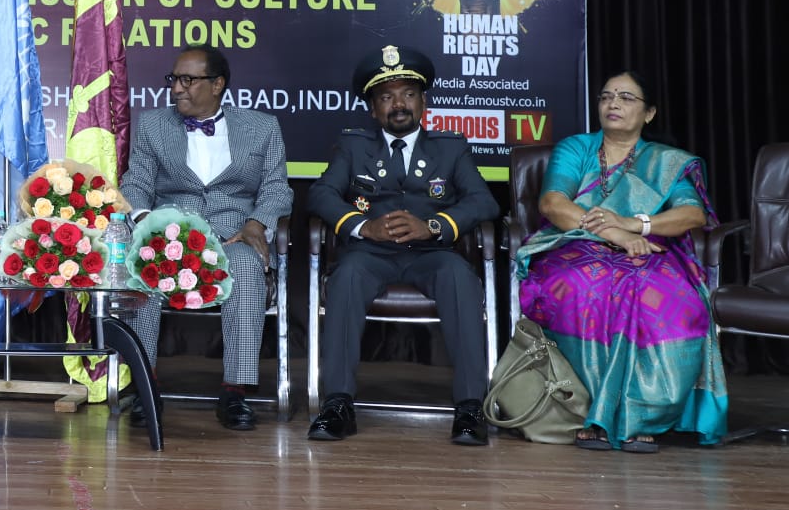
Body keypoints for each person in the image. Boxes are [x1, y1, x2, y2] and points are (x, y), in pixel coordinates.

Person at [517, 71, 726, 452]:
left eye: (626, 97)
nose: (613, 103)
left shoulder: (666, 161)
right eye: (606, 96)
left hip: (648, 252)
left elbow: (692, 214)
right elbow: (553, 204)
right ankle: (587, 411)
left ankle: (642, 416)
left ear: (649, 112)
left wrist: (636, 224)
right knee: (582, 288)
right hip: (575, 245)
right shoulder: (576, 148)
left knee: (670, 300)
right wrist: (615, 235)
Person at [307, 44, 498, 445]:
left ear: (423, 102)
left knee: (460, 279)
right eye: (386, 97)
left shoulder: (450, 147)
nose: (398, 105)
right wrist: (364, 227)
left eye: (408, 94)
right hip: (370, 254)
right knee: (346, 277)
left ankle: (469, 408)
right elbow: (321, 194)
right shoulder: (353, 146)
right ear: (373, 109)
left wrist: (434, 226)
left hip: (432, 254)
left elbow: (484, 201)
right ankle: (338, 405)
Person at [118, 46, 293, 431]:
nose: (176, 89)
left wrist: (257, 222)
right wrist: (147, 223)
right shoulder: (153, 125)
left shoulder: (262, 127)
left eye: (188, 80)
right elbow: (136, 183)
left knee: (246, 269)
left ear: (217, 85)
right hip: (170, 233)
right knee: (141, 270)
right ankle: (146, 386)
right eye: (173, 79)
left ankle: (235, 391)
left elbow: (277, 189)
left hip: (233, 236)